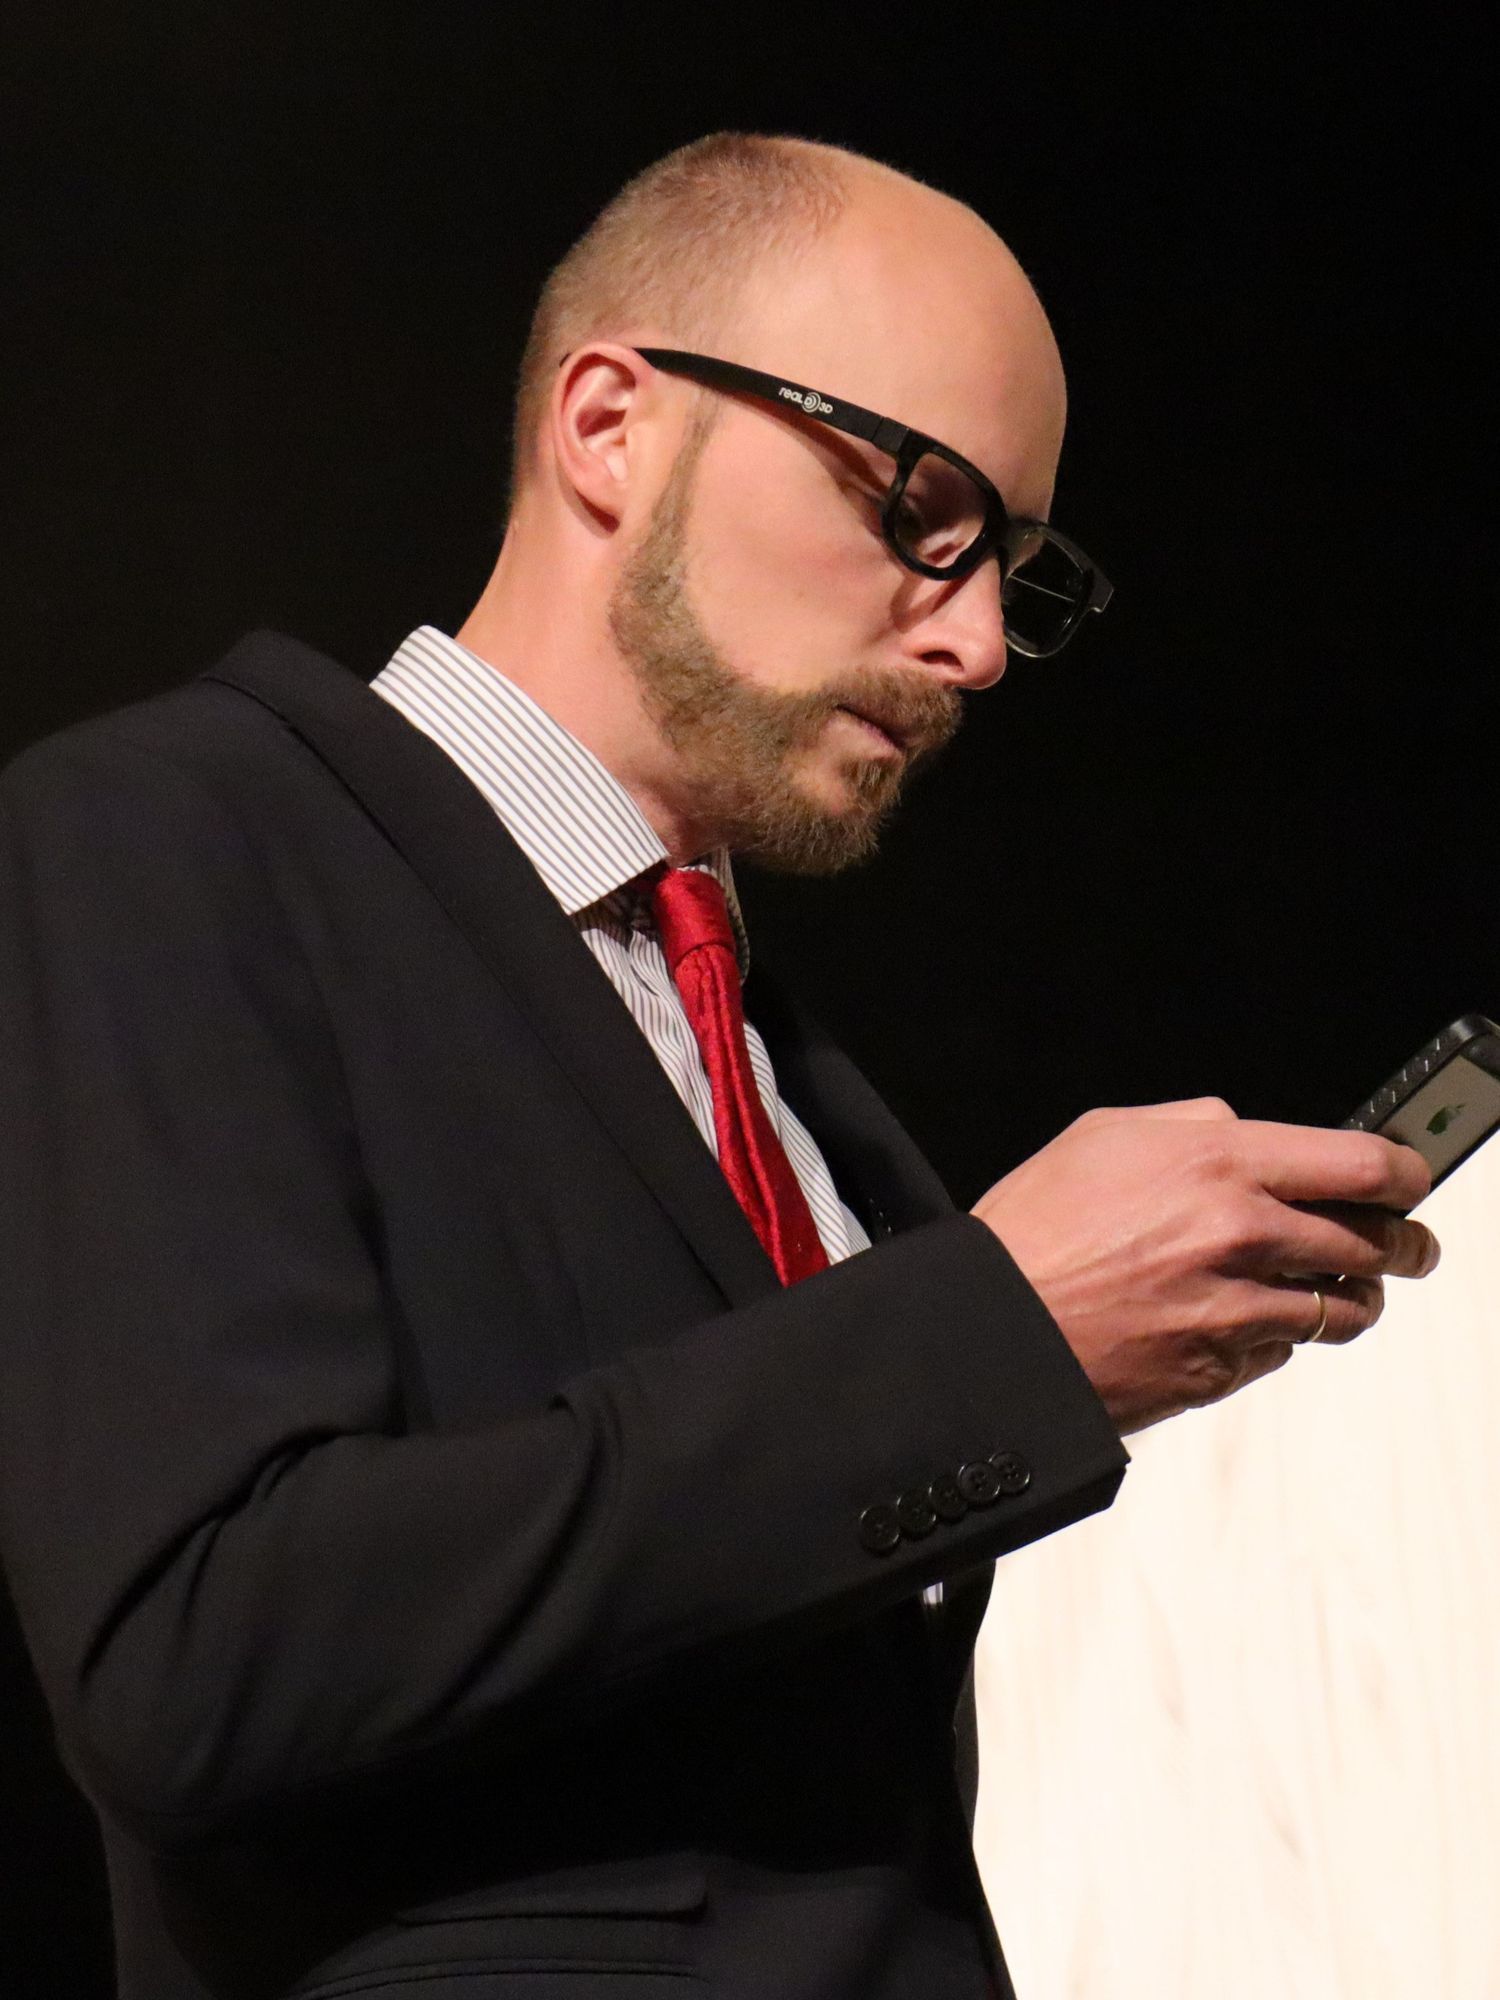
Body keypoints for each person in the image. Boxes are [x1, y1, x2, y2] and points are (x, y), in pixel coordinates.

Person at [0, 133, 1438, 2000]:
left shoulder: (773, 1057)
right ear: (611, 427)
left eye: (1012, 568)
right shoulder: (168, 836)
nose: (977, 643)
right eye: (921, 509)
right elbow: (196, 1653)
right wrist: (995, 1335)